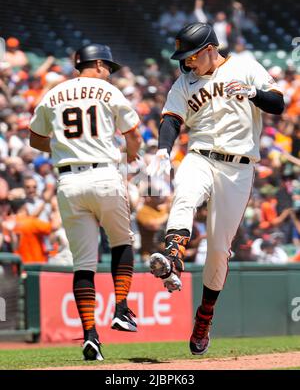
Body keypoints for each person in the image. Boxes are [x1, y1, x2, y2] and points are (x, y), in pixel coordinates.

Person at [147, 23, 284, 356]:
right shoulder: (184, 82)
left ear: (210, 49)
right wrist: (164, 149)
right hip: (200, 155)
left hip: (239, 167)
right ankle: (173, 255)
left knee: (219, 250)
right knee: (185, 193)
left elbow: (278, 103)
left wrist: (254, 94)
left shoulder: (246, 66)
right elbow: (171, 119)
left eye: (191, 56)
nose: (187, 63)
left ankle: (204, 317)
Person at [29, 44, 142, 361]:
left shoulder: (53, 94)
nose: (109, 71)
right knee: (122, 241)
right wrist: (132, 152)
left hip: (68, 181)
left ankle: (90, 337)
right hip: (104, 175)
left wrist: (63, 145)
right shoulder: (108, 91)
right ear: (97, 64)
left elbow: (33, 137)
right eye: (108, 66)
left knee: (83, 264)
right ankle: (120, 308)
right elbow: (132, 133)